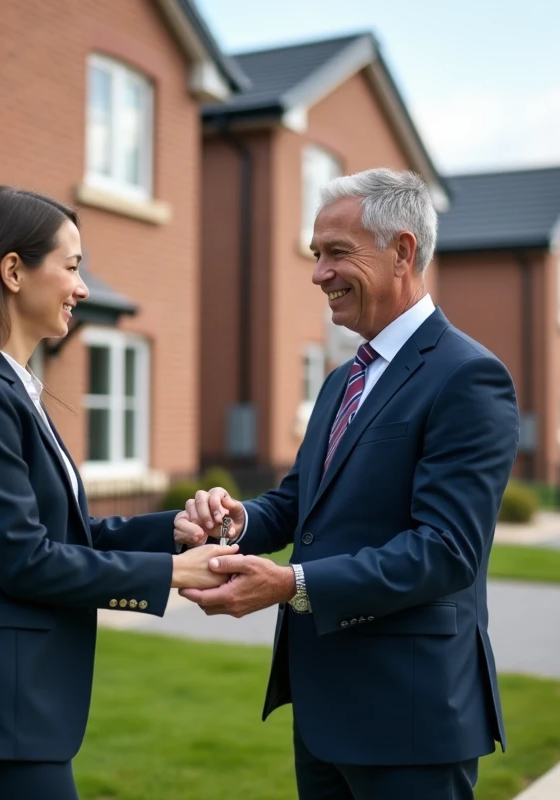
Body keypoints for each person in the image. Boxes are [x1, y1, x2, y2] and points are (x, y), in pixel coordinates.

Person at [175, 168, 520, 799]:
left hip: (410, 715)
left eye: (337, 253)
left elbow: (446, 552)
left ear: (403, 253)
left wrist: (292, 585)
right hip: (324, 706)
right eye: (316, 255)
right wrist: (235, 519)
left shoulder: (470, 378)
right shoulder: (343, 379)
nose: (318, 274)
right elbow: (300, 502)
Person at [0, 185, 236, 800]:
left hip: (11, 707)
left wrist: (176, 531)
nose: (82, 287)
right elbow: (24, 560)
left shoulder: (11, 386)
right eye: (73, 267)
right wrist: (175, 574)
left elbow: (68, 534)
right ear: (13, 271)